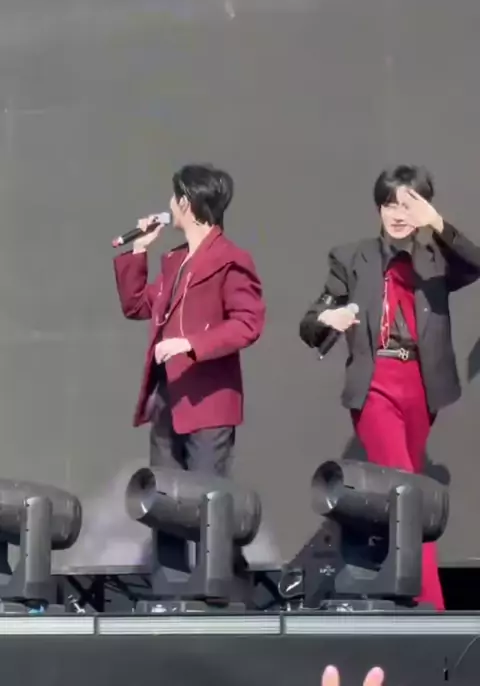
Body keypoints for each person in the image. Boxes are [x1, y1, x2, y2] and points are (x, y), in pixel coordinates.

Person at [299, 164, 480, 611]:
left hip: (422, 384)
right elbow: (311, 320)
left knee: (409, 490)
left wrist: (437, 224)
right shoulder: (351, 257)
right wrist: (328, 319)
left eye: (407, 205)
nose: (398, 214)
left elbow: (475, 263)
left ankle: (408, 593)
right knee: (405, 489)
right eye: (389, 204)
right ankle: (429, 601)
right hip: (375, 381)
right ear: (378, 208)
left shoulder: (437, 258)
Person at [114, 164, 265, 476]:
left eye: (174, 197)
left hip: (208, 406)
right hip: (168, 401)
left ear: (186, 202)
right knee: (165, 497)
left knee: (204, 497)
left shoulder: (230, 259)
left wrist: (191, 345)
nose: (170, 205)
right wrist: (139, 249)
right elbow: (136, 305)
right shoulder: (176, 260)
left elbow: (247, 323)